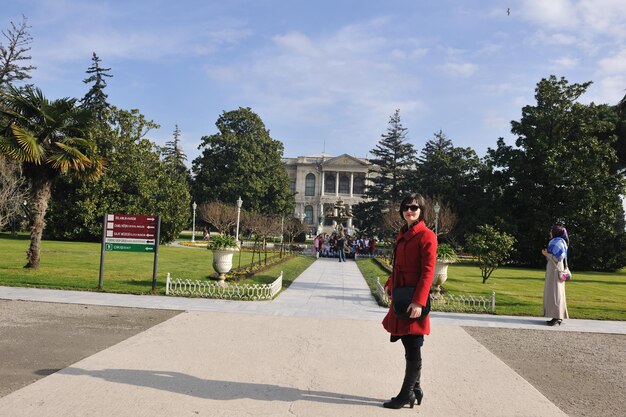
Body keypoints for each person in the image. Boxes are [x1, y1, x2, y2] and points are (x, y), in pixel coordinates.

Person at [381, 192, 437, 409]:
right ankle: (415, 389)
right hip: (402, 293)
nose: (410, 211)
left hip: (413, 298)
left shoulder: (427, 236)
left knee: (413, 345)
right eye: (406, 207)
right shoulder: (403, 232)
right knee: (408, 343)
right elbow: (397, 265)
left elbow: (428, 271)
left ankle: (406, 395)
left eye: (414, 207)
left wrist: (419, 302)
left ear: (422, 211)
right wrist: (389, 283)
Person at [541, 224, 569, 326]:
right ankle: (559, 316)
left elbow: (557, 258)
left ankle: (556, 317)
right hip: (559, 269)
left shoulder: (555, 242)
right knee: (558, 292)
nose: (550, 233)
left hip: (554, 270)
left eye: (551, 231)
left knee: (554, 292)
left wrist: (546, 254)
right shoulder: (562, 242)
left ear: (555, 232)